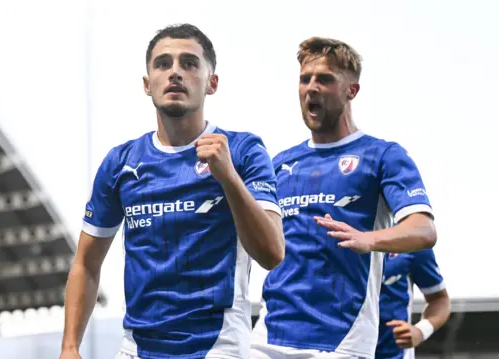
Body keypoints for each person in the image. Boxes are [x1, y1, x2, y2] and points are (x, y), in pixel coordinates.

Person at [59, 23, 285, 359]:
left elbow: (272, 253)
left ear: (212, 82)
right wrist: (69, 347)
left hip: (217, 346)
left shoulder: (243, 150)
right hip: (137, 347)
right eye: (163, 64)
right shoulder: (121, 162)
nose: (175, 72)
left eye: (189, 64)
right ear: (148, 84)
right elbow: (86, 264)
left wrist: (229, 178)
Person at [251, 37, 438, 359]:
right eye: (304, 79)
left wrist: (370, 239)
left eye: (324, 79)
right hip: (268, 335)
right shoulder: (280, 163)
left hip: (342, 342)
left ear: (351, 90)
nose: (311, 87)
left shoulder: (383, 155)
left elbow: (424, 230)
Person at [376, 250, 450, 359]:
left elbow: (439, 299)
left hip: (392, 353)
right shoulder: (343, 243)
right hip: (345, 347)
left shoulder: (411, 241)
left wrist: (421, 331)